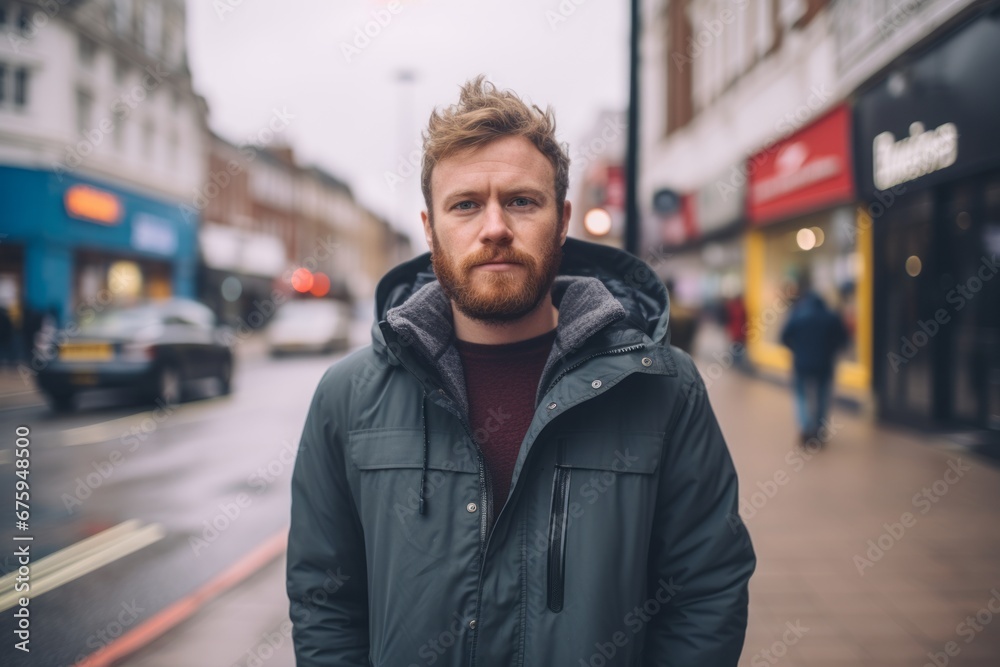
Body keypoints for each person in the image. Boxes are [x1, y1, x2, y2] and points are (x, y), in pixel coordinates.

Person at [287, 76, 755, 667]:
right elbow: (324, 601)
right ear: (430, 231)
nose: (494, 227)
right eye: (465, 205)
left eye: (520, 201)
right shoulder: (348, 397)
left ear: (561, 220)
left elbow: (706, 588)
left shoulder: (663, 387)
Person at [780, 279, 848, 444]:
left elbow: (784, 337)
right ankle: (818, 429)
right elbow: (842, 339)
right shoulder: (830, 316)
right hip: (824, 363)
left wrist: (797, 350)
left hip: (801, 364)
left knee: (801, 396)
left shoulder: (797, 314)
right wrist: (830, 350)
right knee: (822, 397)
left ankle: (806, 428)